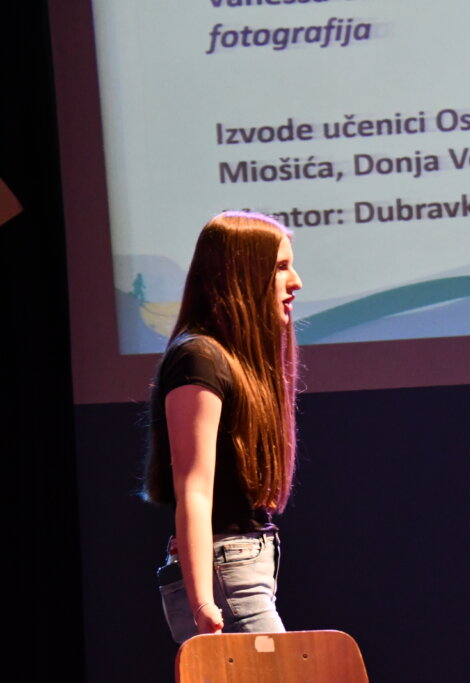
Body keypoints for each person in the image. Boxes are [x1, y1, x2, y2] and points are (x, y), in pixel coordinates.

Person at [142, 211, 303, 642]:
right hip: (225, 574)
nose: (296, 282)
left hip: (243, 566)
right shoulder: (199, 358)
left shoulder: (230, 360)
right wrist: (203, 604)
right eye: (281, 267)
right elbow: (193, 489)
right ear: (241, 274)